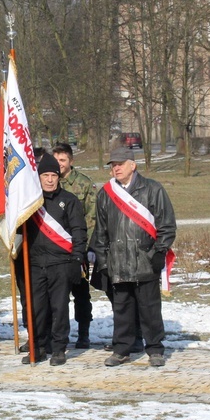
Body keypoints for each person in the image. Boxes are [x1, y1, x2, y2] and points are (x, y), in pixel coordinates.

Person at [93, 146, 176, 367]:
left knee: (150, 308)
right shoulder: (105, 194)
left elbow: (166, 226)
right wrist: (102, 262)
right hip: (118, 263)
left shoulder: (153, 189)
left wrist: (158, 252)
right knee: (122, 309)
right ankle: (122, 349)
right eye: (113, 165)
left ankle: (155, 349)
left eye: (120, 164)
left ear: (133, 165)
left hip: (145, 261)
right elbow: (100, 232)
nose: (116, 168)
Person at [22, 152, 87, 366]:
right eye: (45, 175)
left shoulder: (69, 200)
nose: (50, 180)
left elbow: (79, 231)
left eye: (54, 175)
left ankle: (59, 348)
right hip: (35, 263)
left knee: (60, 307)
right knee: (37, 307)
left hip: (61, 263)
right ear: (38, 177)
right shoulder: (29, 203)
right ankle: (39, 346)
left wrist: (77, 259)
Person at [52, 142, 96, 349]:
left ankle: (84, 333)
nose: (59, 164)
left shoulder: (84, 184)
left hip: (77, 249)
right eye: (56, 160)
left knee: (80, 293)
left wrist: (80, 245)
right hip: (53, 249)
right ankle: (55, 333)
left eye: (63, 160)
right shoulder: (46, 181)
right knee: (56, 295)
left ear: (71, 161)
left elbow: (91, 217)